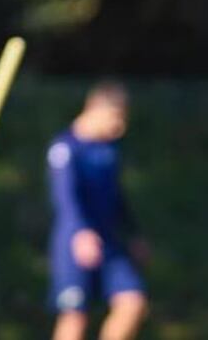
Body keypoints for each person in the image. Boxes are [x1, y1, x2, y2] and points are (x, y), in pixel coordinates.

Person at [47, 82, 148, 340]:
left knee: (132, 302)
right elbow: (66, 198)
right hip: (74, 243)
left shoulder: (108, 151)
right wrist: (81, 233)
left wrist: (134, 233)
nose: (120, 127)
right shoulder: (66, 149)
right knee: (74, 316)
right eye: (117, 117)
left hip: (110, 242)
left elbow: (118, 197)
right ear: (97, 109)